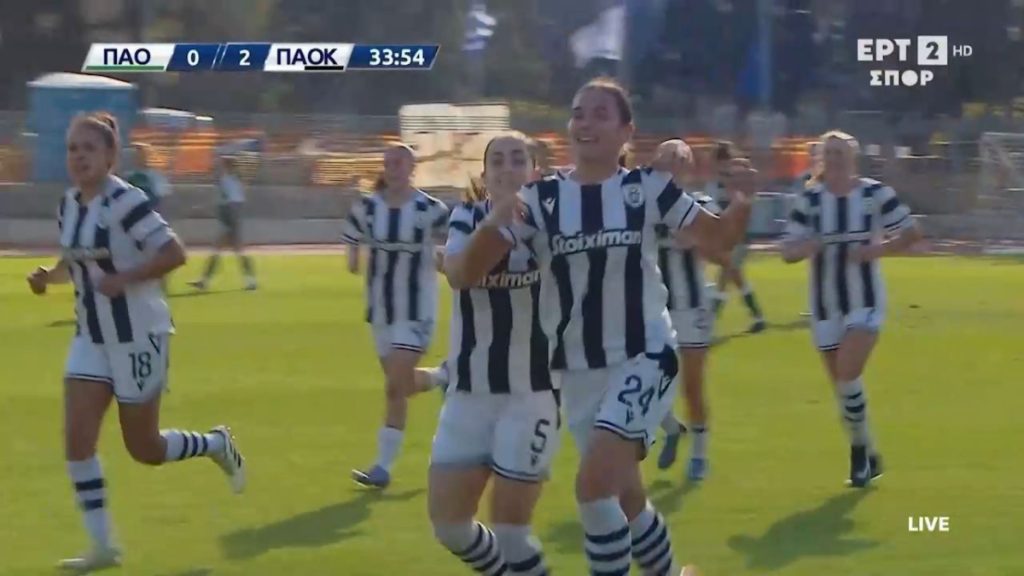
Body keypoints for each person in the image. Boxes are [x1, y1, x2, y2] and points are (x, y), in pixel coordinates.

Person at [455, 78, 753, 576]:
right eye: (578, 113)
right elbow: (467, 274)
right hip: (578, 371)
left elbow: (718, 239)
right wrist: (493, 224)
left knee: (593, 489)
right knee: (627, 496)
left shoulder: (647, 188)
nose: (585, 122)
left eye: (599, 113)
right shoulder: (540, 198)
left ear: (625, 132)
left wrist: (742, 203)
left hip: (646, 355)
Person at [26, 112, 245, 572]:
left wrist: (125, 278)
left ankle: (215, 443)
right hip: (91, 337)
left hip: (138, 336)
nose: (78, 157)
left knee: (144, 448)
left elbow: (174, 252)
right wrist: (49, 276)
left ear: (110, 156)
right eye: (72, 149)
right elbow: (76, 261)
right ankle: (103, 546)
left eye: (89, 148)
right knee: (77, 443)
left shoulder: (126, 201)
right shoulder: (69, 204)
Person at [429, 132, 558, 575]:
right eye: (497, 161)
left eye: (518, 159)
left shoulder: (553, 222)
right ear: (484, 175)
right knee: (450, 527)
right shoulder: (466, 215)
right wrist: (497, 222)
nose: (507, 168)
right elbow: (460, 274)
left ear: (535, 171)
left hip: (532, 394)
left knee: (511, 533)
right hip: (469, 393)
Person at [781, 130, 922, 487]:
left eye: (840, 152)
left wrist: (878, 249)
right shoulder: (809, 199)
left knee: (847, 372)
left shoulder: (875, 194)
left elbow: (910, 233)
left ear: (853, 157)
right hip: (825, 304)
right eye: (829, 152)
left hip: (865, 300)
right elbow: (787, 250)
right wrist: (806, 247)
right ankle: (868, 452)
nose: (834, 158)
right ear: (821, 158)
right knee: (844, 388)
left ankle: (858, 455)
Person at [341, 143, 451, 488]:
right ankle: (442, 377)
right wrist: (353, 256)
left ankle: (383, 467)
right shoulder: (367, 207)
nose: (393, 168)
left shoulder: (431, 209)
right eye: (388, 163)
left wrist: (446, 262)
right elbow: (352, 236)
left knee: (393, 387)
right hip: (381, 310)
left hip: (416, 310)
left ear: (412, 168)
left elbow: (453, 245)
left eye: (400, 162)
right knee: (400, 386)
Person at [652, 141, 734, 481]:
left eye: (678, 161)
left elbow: (724, 254)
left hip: (692, 305)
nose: (671, 167)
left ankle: (699, 454)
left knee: (692, 385)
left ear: (688, 169)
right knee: (643, 380)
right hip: (652, 307)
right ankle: (671, 427)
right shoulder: (641, 206)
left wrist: (699, 242)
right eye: (665, 160)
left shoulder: (700, 205)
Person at [707, 141, 766, 333]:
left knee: (723, 278)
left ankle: (708, 323)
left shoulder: (736, 179)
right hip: (727, 237)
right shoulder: (719, 182)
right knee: (736, 278)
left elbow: (744, 203)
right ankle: (758, 317)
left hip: (738, 237)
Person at [187, 156, 257, 291]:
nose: (218, 167)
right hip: (230, 217)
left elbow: (232, 202)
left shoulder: (228, 181)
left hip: (230, 217)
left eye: (221, 165)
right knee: (234, 250)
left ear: (227, 166)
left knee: (225, 250)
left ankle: (205, 281)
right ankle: (250, 281)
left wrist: (229, 222)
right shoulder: (233, 180)